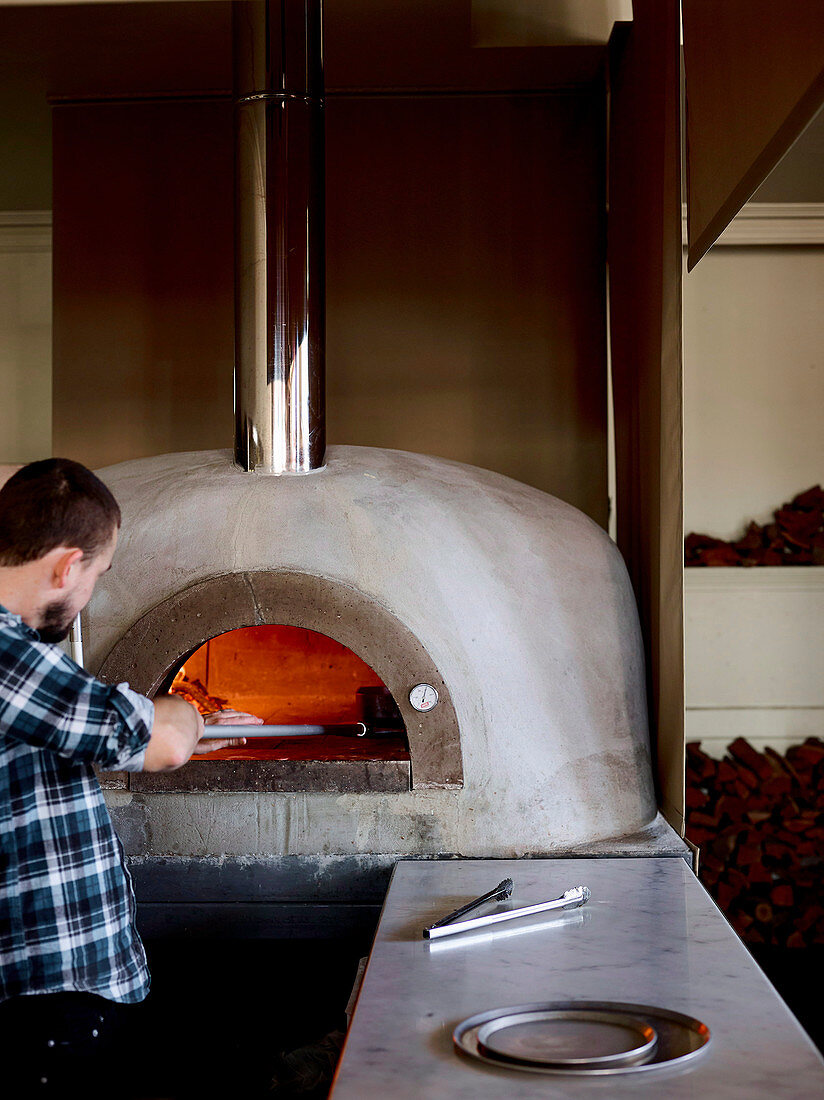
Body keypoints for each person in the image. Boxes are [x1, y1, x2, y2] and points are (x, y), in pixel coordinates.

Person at [0, 458, 261, 1094]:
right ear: (67, 566)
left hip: (56, 988)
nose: (88, 591)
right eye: (97, 572)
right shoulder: (7, 656)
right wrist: (196, 711)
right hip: (45, 993)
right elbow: (163, 742)